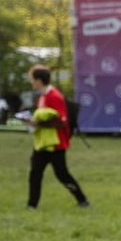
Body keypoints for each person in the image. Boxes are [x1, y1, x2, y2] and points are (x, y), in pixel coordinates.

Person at [26, 65, 90, 210]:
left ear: (39, 80)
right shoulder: (42, 97)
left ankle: (82, 200)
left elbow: (62, 122)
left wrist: (38, 124)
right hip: (42, 143)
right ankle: (31, 205)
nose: (31, 82)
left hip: (56, 144)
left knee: (62, 174)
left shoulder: (54, 96)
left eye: (32, 79)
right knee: (35, 173)